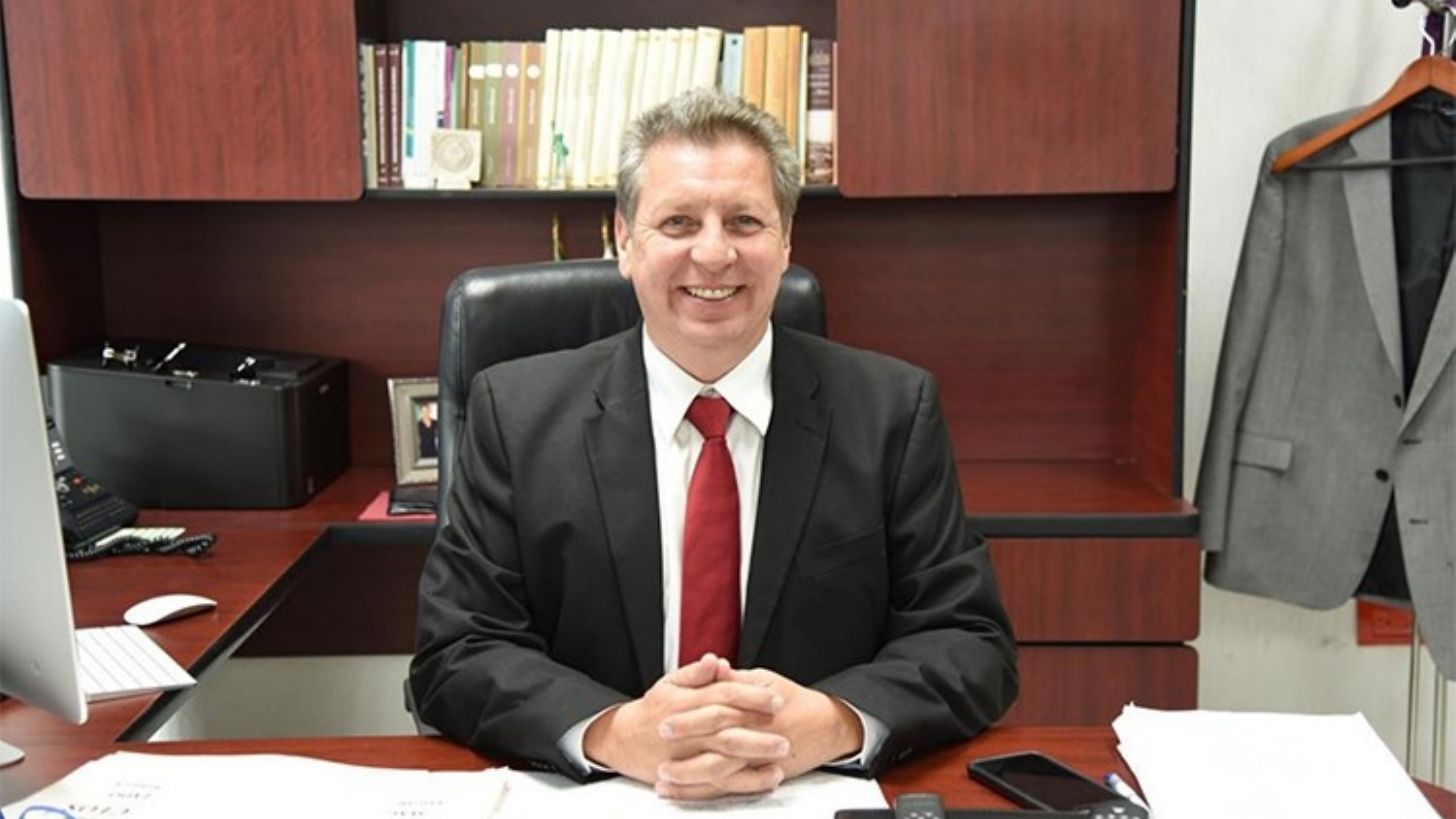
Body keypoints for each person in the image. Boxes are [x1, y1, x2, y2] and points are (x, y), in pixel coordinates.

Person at [410, 88, 1018, 800]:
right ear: (625, 240)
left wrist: (832, 722)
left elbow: (969, 642)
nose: (713, 252)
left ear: (785, 241)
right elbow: (457, 652)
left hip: (806, 792)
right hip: (598, 796)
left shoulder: (891, 411)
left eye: (744, 221)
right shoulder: (515, 414)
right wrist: (613, 732)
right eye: (677, 221)